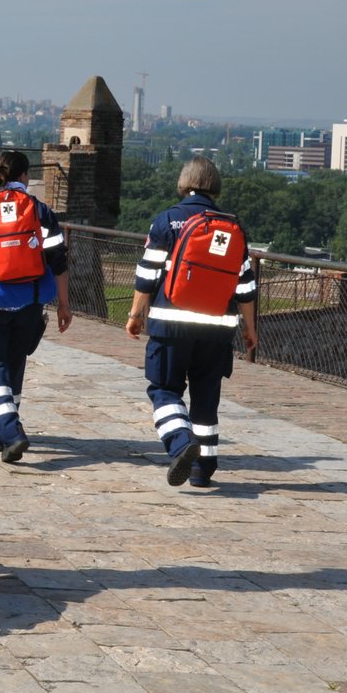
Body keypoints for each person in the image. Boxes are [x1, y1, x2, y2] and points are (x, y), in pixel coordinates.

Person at [126, 156, 259, 488]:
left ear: (183, 183)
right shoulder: (234, 228)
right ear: (215, 186)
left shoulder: (167, 221)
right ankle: (203, 470)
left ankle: (181, 443)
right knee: (206, 397)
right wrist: (250, 329)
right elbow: (245, 287)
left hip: (171, 324)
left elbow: (147, 276)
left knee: (164, 389)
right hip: (217, 329)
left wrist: (134, 316)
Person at [0, 150, 72, 463]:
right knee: (15, 362)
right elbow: (59, 262)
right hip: (30, 301)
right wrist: (64, 305)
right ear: (24, 177)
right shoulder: (39, 210)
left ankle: (8, 431)